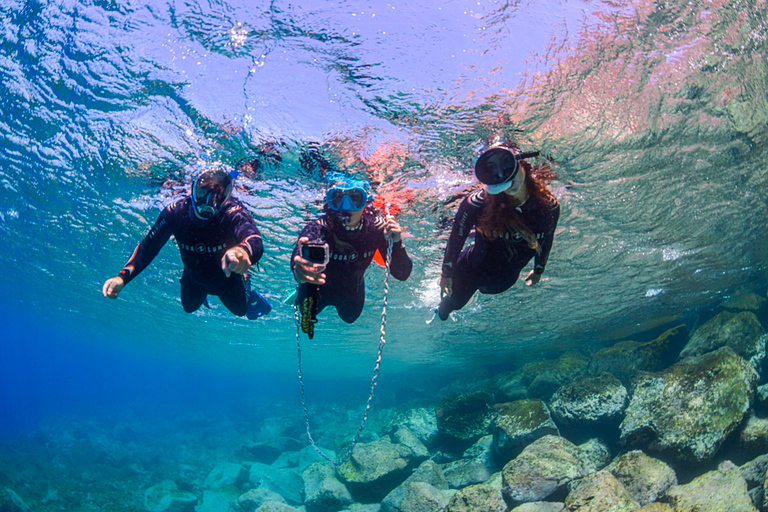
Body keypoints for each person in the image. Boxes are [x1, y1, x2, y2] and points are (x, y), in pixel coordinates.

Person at [102, 165, 271, 319]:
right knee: (188, 307)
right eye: (203, 191)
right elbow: (148, 247)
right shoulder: (175, 213)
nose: (209, 202)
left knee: (241, 310)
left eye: (218, 193)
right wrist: (122, 278)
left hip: (227, 279)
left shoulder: (233, 211)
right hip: (194, 276)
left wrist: (243, 251)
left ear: (227, 195)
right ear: (192, 188)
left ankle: (246, 279)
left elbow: (253, 238)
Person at [436, 146, 560, 321]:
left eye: (507, 165)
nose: (502, 174)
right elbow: (456, 237)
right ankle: (441, 311)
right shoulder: (477, 203)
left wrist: (539, 269)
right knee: (451, 306)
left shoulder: (548, 207)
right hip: (469, 269)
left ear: (523, 165)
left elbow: (547, 238)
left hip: (502, 280)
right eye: (493, 169)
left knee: (489, 290)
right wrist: (446, 274)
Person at [291, 178, 412, 332]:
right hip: (317, 288)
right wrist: (298, 270)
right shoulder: (319, 228)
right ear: (329, 202)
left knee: (350, 317)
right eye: (338, 198)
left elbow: (402, 274)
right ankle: (300, 289)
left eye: (355, 198)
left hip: (351, 291)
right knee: (307, 312)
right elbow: (298, 254)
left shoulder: (376, 229)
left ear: (366, 202)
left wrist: (396, 244)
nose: (346, 206)